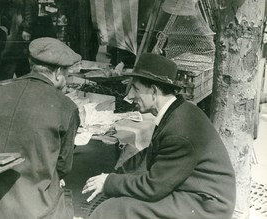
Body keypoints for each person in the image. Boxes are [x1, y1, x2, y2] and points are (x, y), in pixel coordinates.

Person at [82, 53, 236, 219]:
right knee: (120, 196)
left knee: (117, 209)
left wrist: (109, 182)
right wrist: (116, 176)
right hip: (197, 192)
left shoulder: (179, 128)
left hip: (206, 205)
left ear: (154, 91)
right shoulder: (177, 111)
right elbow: (152, 154)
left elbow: (153, 187)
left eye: (136, 89)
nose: (130, 96)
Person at [0, 37, 81, 219]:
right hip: (30, 209)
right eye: (67, 73)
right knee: (61, 193)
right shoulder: (66, 106)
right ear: (59, 72)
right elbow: (63, 167)